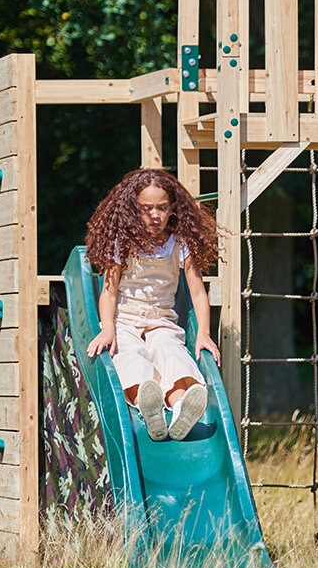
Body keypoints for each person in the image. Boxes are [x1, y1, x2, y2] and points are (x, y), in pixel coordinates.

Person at [84, 168, 221, 440]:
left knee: (170, 351)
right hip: (124, 320)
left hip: (161, 320)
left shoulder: (179, 241)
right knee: (129, 355)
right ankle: (151, 409)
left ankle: (182, 407)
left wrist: (204, 333)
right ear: (134, 209)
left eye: (162, 208)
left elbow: (197, 292)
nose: (155, 215)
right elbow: (109, 291)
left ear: (173, 209)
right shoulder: (121, 241)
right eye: (146, 208)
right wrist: (107, 328)